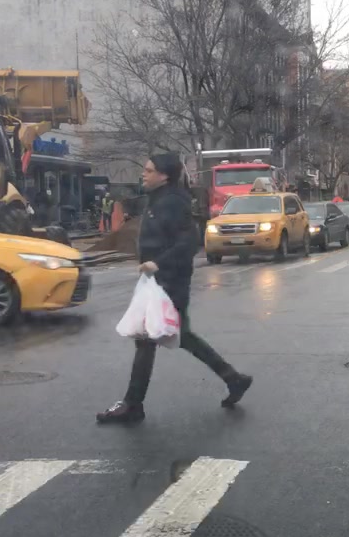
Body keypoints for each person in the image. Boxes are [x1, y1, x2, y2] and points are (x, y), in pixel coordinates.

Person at [97, 153, 253, 424]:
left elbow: (189, 243)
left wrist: (158, 263)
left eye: (149, 170)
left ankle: (133, 405)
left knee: (147, 339)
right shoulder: (159, 199)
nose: (143, 174)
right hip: (159, 281)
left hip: (169, 281)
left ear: (164, 176)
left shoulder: (172, 203)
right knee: (180, 336)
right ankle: (233, 378)